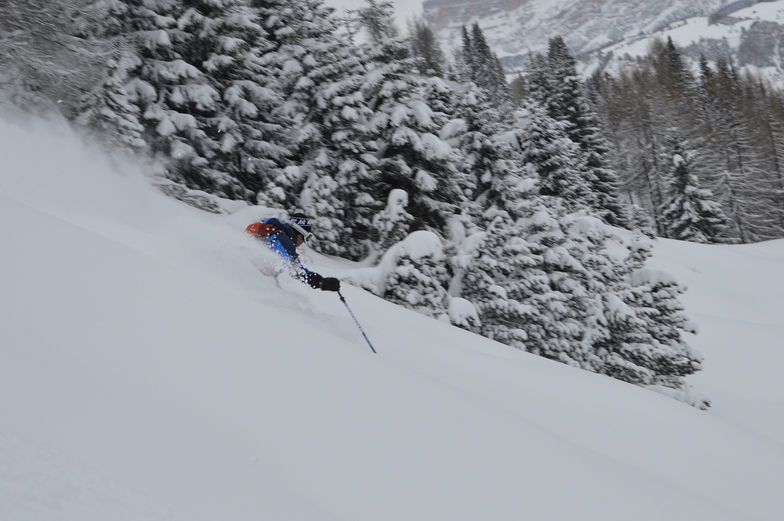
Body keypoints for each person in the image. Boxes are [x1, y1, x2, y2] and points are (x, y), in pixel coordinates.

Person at [245, 212, 341, 292]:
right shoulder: (284, 241)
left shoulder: (273, 232)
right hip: (258, 284)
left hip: (251, 275)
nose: (303, 241)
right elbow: (296, 270)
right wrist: (321, 282)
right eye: (305, 237)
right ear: (298, 233)